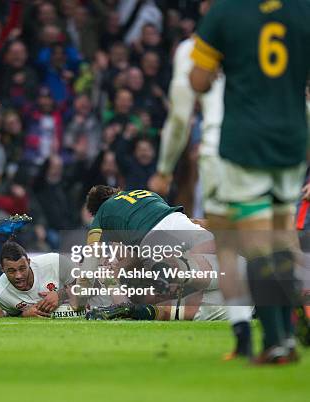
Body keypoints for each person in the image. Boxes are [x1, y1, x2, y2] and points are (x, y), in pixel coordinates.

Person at [189, 0, 310, 364]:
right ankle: (292, 324)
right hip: (292, 140)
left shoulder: (225, 11)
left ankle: (277, 340)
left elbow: (199, 79)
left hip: (246, 142)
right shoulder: (303, 10)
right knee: (278, 234)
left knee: (256, 241)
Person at [148, 0, 253, 360]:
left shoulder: (192, 49)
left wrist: (164, 168)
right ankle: (282, 330)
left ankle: (243, 336)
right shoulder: (267, 40)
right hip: (269, 147)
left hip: (220, 148)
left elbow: (179, 118)